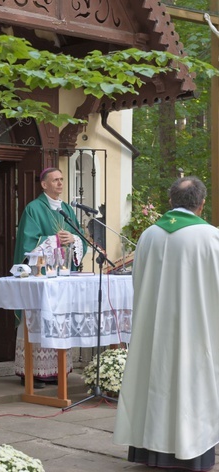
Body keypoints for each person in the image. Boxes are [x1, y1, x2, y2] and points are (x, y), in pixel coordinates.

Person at [114, 176, 219, 471]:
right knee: (191, 386)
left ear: (171, 202)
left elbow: (138, 282)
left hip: (153, 330)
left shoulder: (148, 235)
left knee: (154, 383)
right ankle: (192, 452)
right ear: (202, 203)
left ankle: (150, 452)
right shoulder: (210, 237)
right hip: (196, 330)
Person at [14, 167, 87, 388]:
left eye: (62, 180)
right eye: (55, 180)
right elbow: (28, 244)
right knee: (37, 319)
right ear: (44, 185)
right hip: (41, 276)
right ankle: (30, 372)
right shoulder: (33, 209)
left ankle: (55, 370)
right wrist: (55, 239)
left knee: (59, 322)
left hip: (62, 275)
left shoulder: (66, 209)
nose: (60, 183)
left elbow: (81, 238)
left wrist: (73, 238)